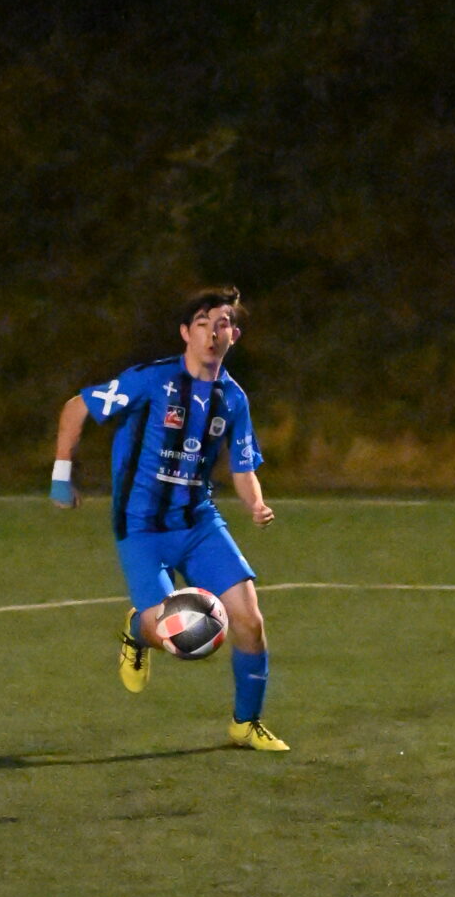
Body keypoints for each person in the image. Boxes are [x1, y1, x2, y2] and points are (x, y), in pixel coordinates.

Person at [51, 287, 288, 752]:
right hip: (141, 527)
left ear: (234, 335)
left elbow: (243, 467)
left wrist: (255, 504)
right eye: (202, 324)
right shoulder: (153, 381)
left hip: (199, 523)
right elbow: (77, 407)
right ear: (185, 333)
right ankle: (137, 631)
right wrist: (62, 476)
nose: (212, 333)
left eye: (222, 324)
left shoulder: (232, 399)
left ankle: (246, 723)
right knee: (182, 638)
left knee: (249, 621)